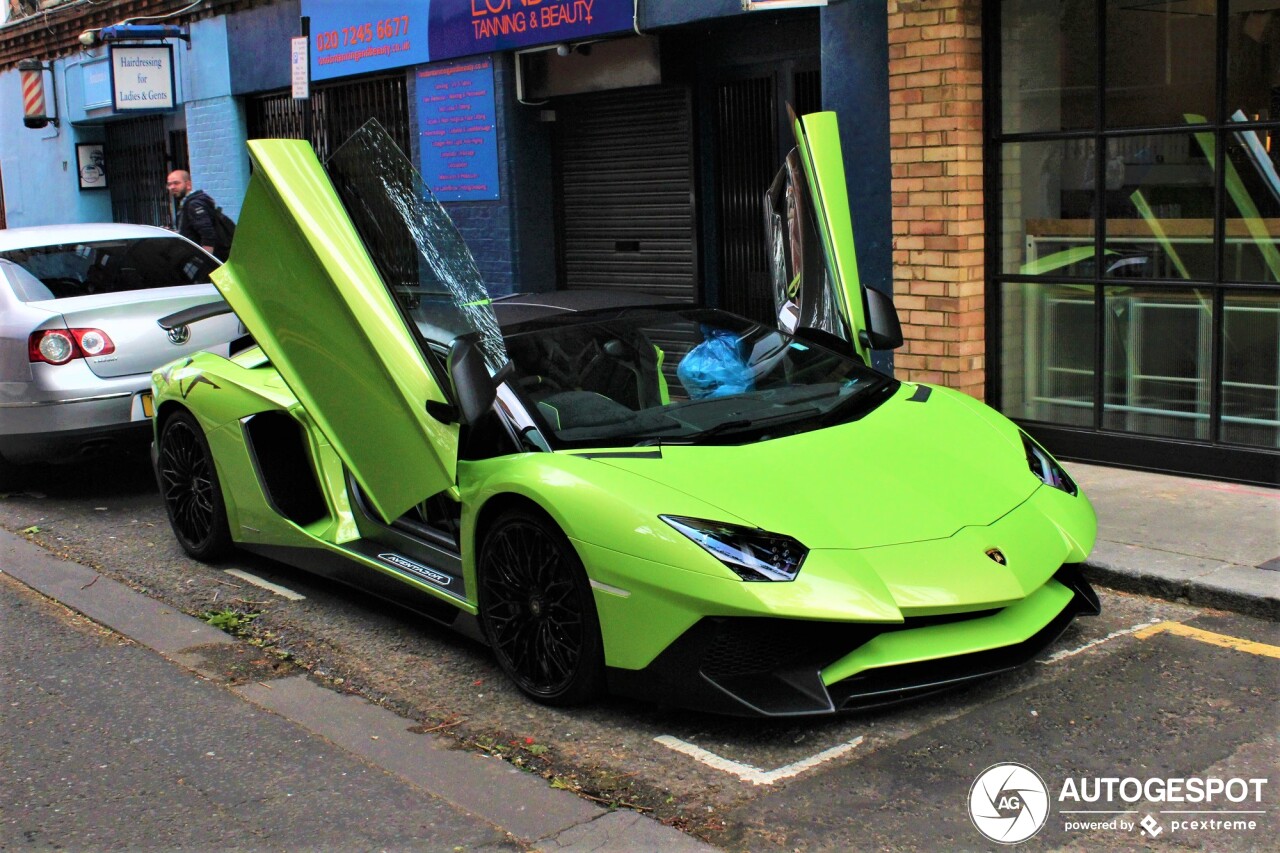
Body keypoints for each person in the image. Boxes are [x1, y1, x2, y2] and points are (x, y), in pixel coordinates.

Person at [166, 170, 226, 260]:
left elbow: (208, 234)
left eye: (176, 183)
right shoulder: (187, 203)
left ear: (188, 184)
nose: (172, 187)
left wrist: (205, 261)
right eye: (169, 184)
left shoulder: (194, 204)